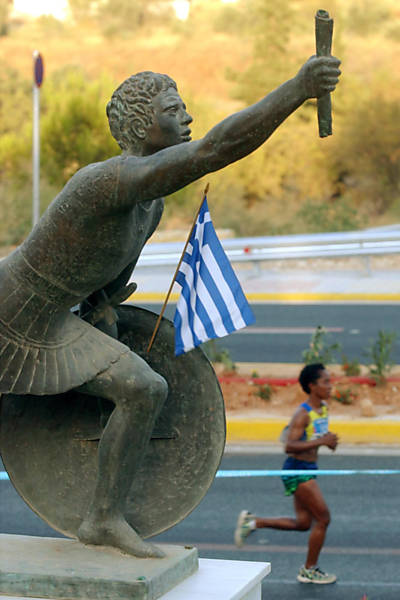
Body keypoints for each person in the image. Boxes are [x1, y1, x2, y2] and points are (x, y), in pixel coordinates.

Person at [0, 57, 340, 558]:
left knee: (144, 388)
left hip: (51, 322)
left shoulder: (149, 205)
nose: (187, 118)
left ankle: (102, 519)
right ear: (141, 125)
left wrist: (103, 308)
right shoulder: (108, 180)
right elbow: (215, 149)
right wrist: (296, 89)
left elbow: (99, 281)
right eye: (173, 109)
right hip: (11, 314)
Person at [234, 363, 339, 584]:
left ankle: (253, 523)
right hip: (297, 471)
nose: (331, 386)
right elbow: (289, 445)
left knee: (303, 523)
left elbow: (313, 438)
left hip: (309, 469)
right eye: (325, 382)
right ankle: (310, 569)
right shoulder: (302, 414)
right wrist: (323, 440)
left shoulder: (323, 409)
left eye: (330, 381)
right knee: (323, 518)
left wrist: (327, 441)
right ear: (312, 386)